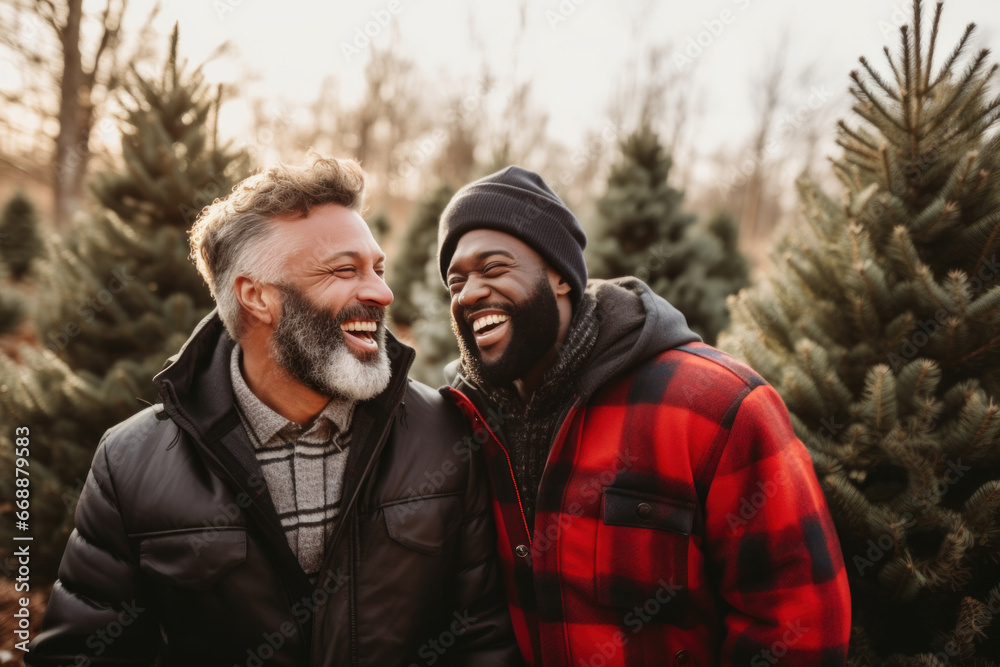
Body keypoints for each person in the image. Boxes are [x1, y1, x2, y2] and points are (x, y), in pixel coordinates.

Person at [28, 156, 520, 666]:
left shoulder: (445, 434)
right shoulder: (131, 463)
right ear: (257, 296)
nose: (382, 292)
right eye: (345, 270)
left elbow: (481, 641)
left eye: (377, 268)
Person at [436, 166, 852, 666]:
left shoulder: (714, 405)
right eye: (455, 281)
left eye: (494, 267)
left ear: (560, 276)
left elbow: (799, 626)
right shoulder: (464, 422)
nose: (469, 292)